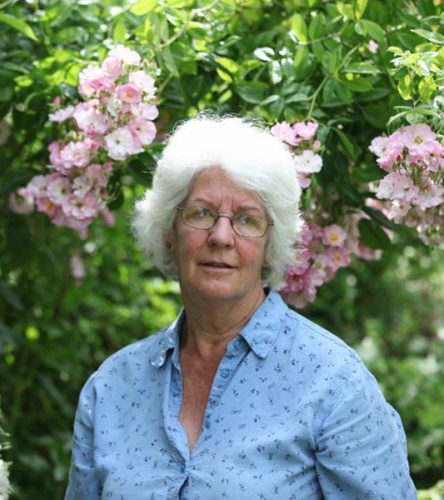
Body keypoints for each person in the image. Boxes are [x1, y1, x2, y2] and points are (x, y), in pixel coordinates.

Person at [65, 116, 417, 499]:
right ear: (169, 232)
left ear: (271, 242)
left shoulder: (333, 383)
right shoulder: (112, 388)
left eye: (247, 219)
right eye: (201, 213)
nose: (220, 236)